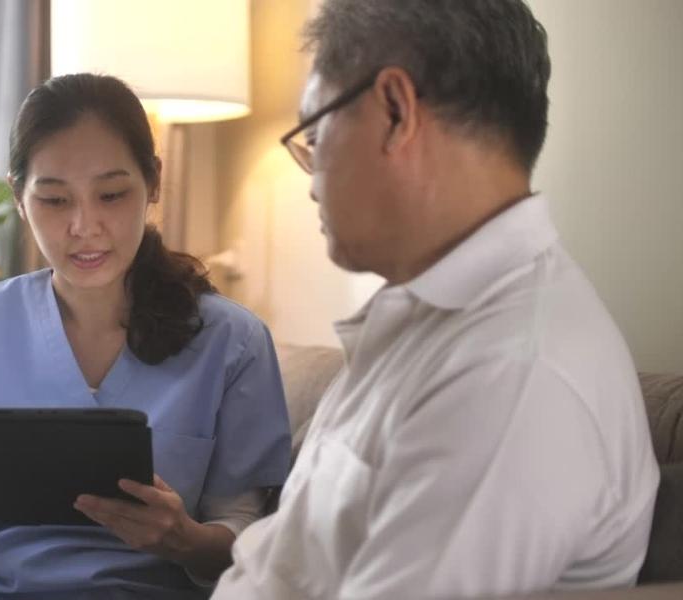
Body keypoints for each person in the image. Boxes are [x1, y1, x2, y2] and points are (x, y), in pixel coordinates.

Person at [212, 1, 660, 598]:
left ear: (395, 110)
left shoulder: (510, 374)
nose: (311, 178)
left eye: (315, 137)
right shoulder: (423, 321)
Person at [0, 73, 291, 599]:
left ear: (154, 183)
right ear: (19, 198)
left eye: (113, 195)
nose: (85, 225)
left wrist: (183, 539)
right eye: (55, 200)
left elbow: (247, 539)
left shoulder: (233, 342)